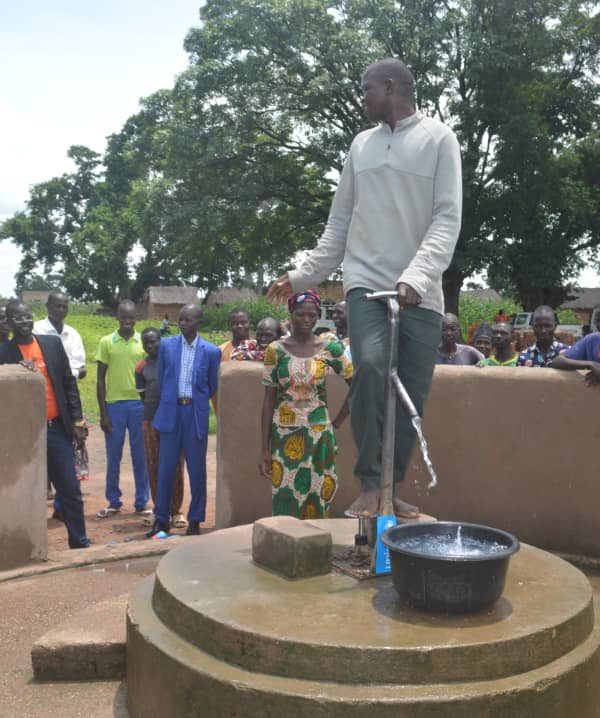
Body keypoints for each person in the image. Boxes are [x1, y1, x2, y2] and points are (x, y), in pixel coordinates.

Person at [267, 58, 462, 518]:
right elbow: (339, 224)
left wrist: (417, 276)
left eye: (367, 89)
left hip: (422, 290)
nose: (362, 98)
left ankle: (392, 488)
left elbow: (447, 217)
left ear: (391, 87)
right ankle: (372, 484)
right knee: (371, 366)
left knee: (411, 389)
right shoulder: (361, 146)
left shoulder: (439, 139)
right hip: (367, 284)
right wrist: (302, 275)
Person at [0, 300, 90, 549]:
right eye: (17, 318)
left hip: (56, 430)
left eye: (27, 316)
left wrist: (77, 419)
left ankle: (79, 543)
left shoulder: (50, 344)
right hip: (25, 436)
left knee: (70, 489)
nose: (24, 322)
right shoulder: (4, 354)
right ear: (9, 322)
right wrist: (16, 372)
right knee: (28, 491)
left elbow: (69, 384)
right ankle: (26, 547)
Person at [260, 291, 353, 518]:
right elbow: (268, 400)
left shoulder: (330, 347)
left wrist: (337, 422)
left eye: (312, 314)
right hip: (283, 435)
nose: (306, 319)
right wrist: (264, 448)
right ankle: (285, 550)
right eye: (300, 314)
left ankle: (316, 548)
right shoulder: (275, 350)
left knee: (318, 495)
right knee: (285, 497)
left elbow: (357, 385)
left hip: (319, 436)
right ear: (291, 314)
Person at [147, 304, 220, 537]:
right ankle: (161, 520)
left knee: (197, 471)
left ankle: (196, 520)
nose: (183, 323)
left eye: (188, 320)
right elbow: (162, 378)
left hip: (194, 416)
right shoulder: (167, 347)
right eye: (181, 319)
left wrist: (194, 403)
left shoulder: (210, 351)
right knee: (166, 469)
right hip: (171, 413)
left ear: (198, 322)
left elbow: (212, 386)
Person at [96, 300, 150, 518]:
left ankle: (141, 501)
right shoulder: (107, 342)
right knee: (113, 455)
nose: (127, 321)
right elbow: (100, 378)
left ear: (135, 318)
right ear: (117, 317)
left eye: (130, 317)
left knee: (141, 456)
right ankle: (113, 500)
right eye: (123, 317)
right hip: (114, 406)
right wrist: (103, 413)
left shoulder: (143, 342)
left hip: (139, 406)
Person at [135, 328, 187, 529]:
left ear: (161, 341)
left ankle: (177, 511)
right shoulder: (141, 367)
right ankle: (160, 509)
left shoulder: (173, 362)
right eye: (146, 342)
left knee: (175, 465)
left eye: (154, 341)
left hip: (173, 419)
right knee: (153, 464)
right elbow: (144, 396)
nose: (150, 346)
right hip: (150, 420)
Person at [33, 291, 86, 379]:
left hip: (68, 386)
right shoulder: (36, 330)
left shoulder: (73, 334)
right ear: (47, 306)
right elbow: (36, 362)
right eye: (57, 306)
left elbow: (79, 364)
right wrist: (74, 373)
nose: (61, 310)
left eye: (64, 307)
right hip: (43, 385)